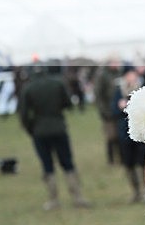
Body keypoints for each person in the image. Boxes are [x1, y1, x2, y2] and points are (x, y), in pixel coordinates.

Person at [18, 63, 91, 210]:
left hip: (39, 130)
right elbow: (68, 104)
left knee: (47, 165)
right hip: (59, 127)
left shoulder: (28, 88)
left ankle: (53, 200)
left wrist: (31, 128)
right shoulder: (57, 83)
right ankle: (77, 197)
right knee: (68, 163)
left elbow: (24, 114)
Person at [112, 66, 145, 203]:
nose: (132, 77)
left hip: (140, 132)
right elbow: (113, 111)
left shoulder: (142, 89)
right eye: (129, 75)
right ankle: (135, 191)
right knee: (128, 163)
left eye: (133, 74)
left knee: (143, 162)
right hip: (124, 132)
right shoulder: (118, 91)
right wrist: (119, 107)